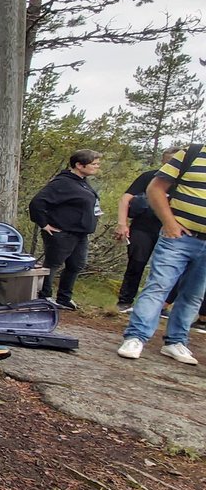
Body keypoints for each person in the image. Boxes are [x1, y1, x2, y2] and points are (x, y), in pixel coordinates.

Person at [117, 144, 206, 365]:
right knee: (159, 286)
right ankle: (135, 337)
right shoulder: (192, 154)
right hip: (179, 237)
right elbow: (155, 189)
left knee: (194, 294)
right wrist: (169, 223)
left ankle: (176, 341)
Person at [28, 150, 103, 310]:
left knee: (76, 265)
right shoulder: (63, 183)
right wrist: (44, 224)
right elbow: (37, 202)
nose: (97, 166)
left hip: (80, 233)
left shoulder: (82, 182)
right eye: (94, 164)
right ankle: (44, 297)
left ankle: (64, 298)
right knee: (53, 264)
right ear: (79, 165)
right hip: (62, 232)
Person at [115, 149, 179, 312]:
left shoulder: (185, 182)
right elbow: (125, 199)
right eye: (169, 161)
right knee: (136, 263)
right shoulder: (149, 177)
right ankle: (125, 301)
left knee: (168, 269)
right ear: (163, 161)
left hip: (171, 231)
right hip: (143, 227)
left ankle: (160, 306)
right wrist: (122, 223)